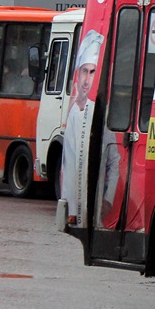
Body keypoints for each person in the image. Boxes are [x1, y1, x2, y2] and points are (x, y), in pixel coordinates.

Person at [60, 30, 104, 219]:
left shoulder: (98, 110)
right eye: (83, 72)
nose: (86, 80)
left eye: (92, 72)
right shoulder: (71, 113)